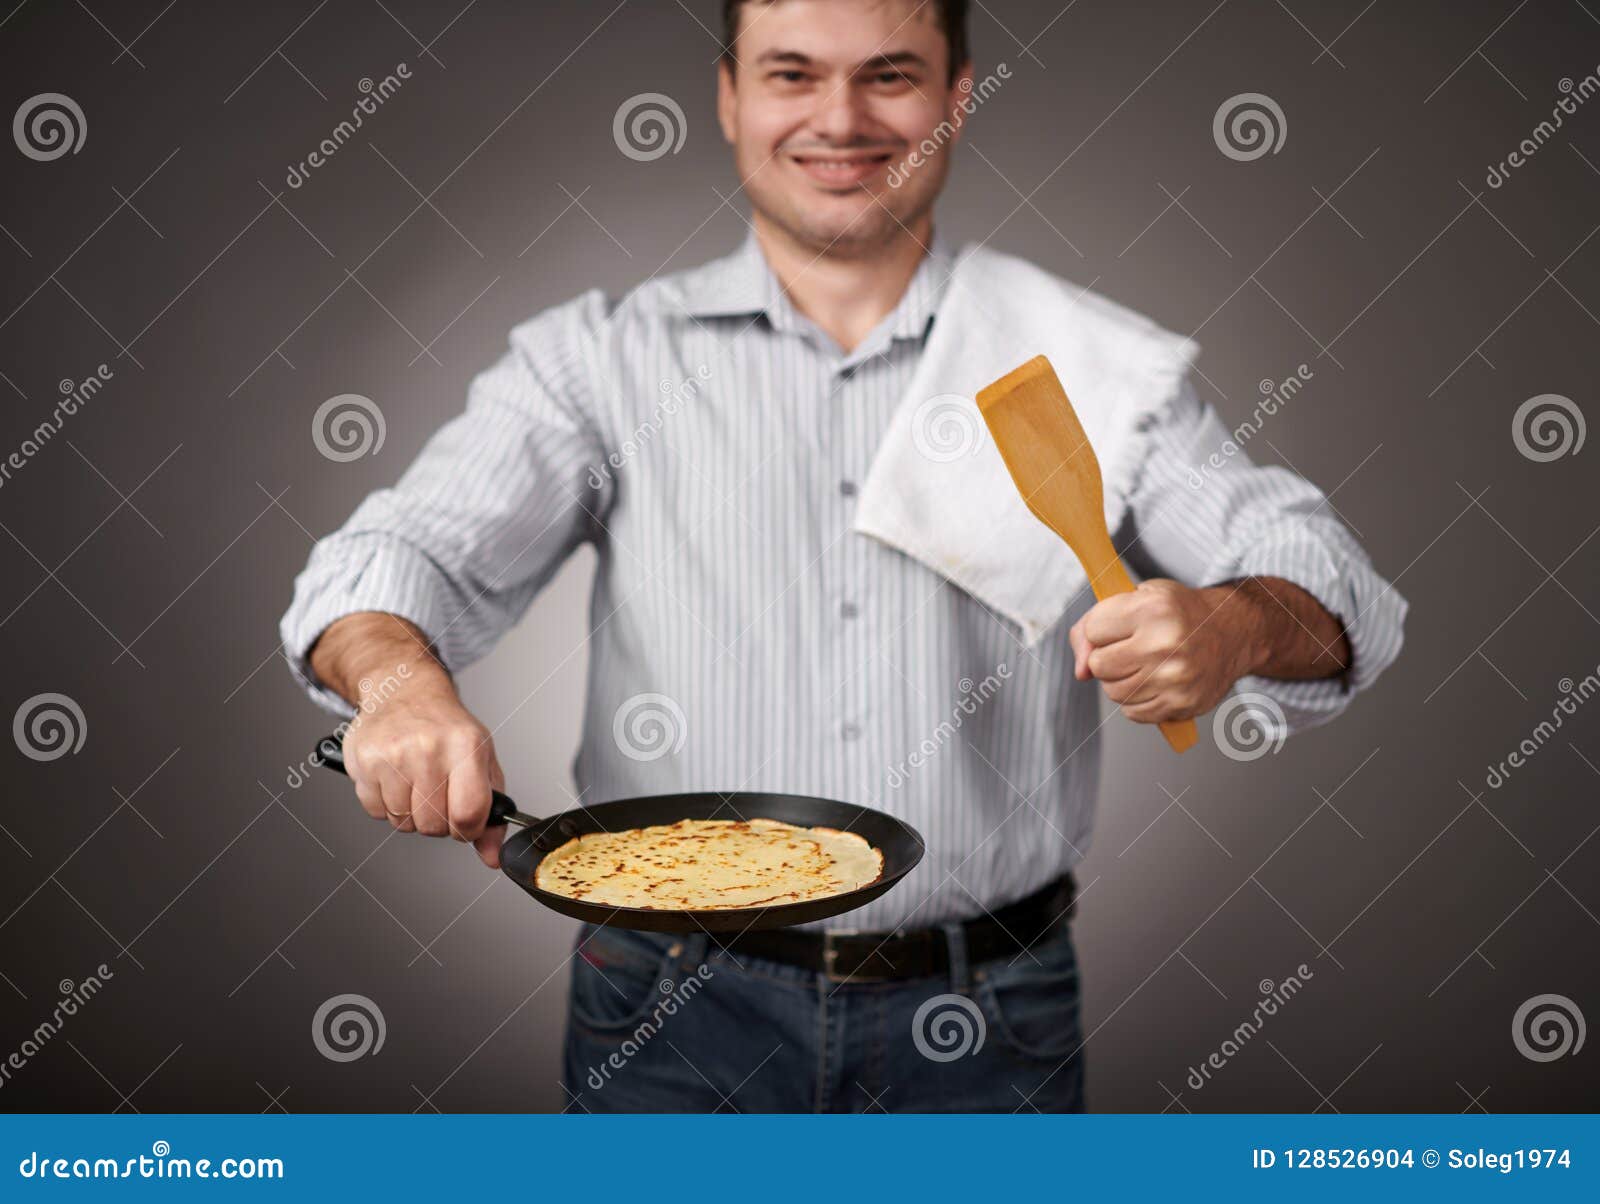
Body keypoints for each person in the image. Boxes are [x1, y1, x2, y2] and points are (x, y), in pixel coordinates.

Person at [280, 0, 1405, 1112]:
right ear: (728, 95)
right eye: (789, 73)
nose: (841, 116)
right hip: (667, 1012)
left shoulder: (1088, 365)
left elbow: (1324, 576)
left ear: (957, 95)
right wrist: (397, 684)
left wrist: (1234, 624)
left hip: (989, 1022)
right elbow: (396, 552)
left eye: (890, 74)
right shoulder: (597, 362)